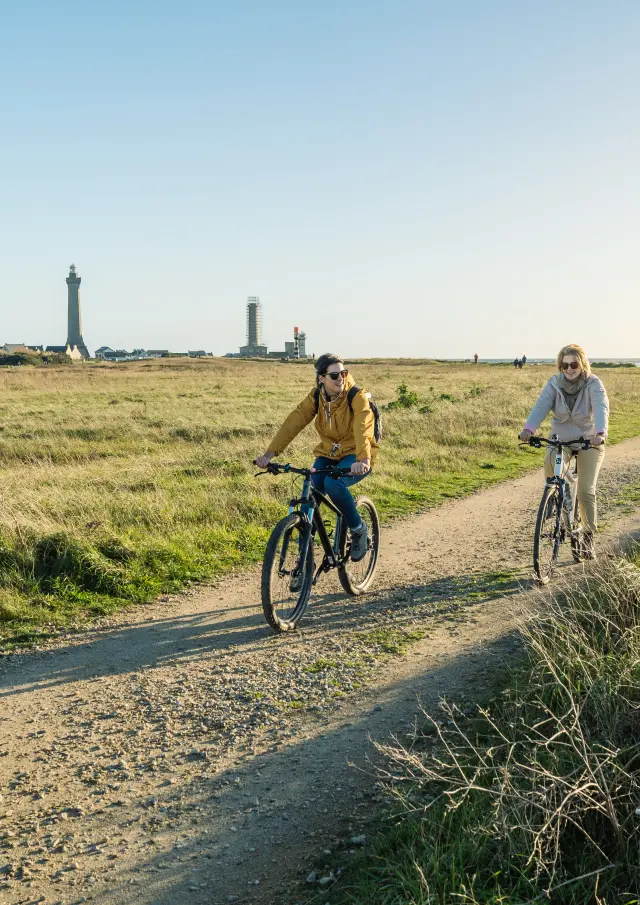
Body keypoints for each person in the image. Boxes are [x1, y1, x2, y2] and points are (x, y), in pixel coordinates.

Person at [255, 353, 378, 561]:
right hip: (328, 453)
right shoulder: (316, 397)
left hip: (355, 454)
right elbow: (294, 422)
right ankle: (304, 558)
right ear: (322, 378)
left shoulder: (355, 396)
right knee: (312, 487)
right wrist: (269, 453)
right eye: (334, 375)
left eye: (344, 373)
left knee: (333, 484)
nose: (341, 378)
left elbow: (363, 426)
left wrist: (363, 459)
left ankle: (358, 529)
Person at [519, 344, 609, 558]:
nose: (569, 369)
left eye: (574, 364)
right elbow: (541, 406)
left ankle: (587, 536)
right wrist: (528, 429)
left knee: (586, 491)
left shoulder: (593, 384)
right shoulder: (554, 383)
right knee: (551, 463)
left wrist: (600, 431)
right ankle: (555, 500)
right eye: (564, 365)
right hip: (560, 439)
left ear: (582, 364)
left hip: (589, 440)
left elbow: (600, 407)